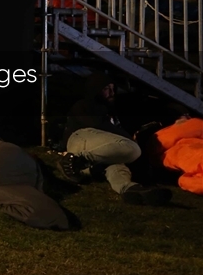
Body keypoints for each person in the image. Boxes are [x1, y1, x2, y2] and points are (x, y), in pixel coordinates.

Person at [60, 72, 172, 206]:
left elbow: (147, 106)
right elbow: (97, 125)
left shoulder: (113, 110)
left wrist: (179, 114)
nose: (112, 93)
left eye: (113, 88)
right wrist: (127, 138)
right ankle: (73, 160)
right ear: (96, 90)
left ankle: (130, 189)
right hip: (82, 137)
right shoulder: (84, 105)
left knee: (117, 164)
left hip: (103, 149)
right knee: (132, 149)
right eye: (107, 89)